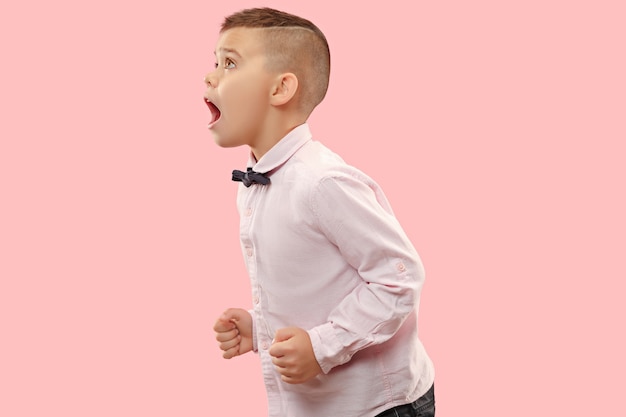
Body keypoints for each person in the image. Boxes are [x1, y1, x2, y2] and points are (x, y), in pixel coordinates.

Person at [206, 7, 435, 417]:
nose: (210, 76)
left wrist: (322, 346)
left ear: (281, 89)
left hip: (378, 408)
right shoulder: (257, 185)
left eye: (230, 63)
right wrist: (260, 330)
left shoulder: (322, 183)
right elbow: (317, 291)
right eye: (213, 63)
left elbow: (399, 280)